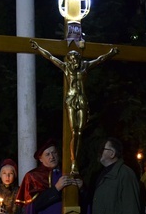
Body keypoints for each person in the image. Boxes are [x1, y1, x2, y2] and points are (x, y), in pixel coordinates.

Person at [30, 40, 119, 175]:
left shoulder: (85, 67)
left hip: (82, 100)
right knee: (74, 131)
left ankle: (75, 160)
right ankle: (73, 163)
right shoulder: (66, 68)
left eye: (75, 58)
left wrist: (111, 53)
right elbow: (50, 57)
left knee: (79, 132)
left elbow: (100, 59)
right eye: (71, 58)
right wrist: (38, 48)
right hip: (71, 100)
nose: (74, 61)